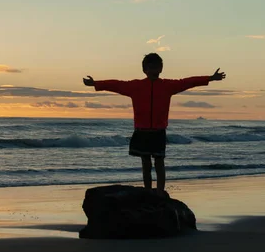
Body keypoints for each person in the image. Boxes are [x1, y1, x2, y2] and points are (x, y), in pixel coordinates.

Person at [83, 53, 226, 192]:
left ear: (161, 68)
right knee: (145, 163)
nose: (154, 71)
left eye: (157, 67)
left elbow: (187, 82)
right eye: (151, 68)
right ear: (144, 70)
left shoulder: (167, 86)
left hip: (158, 131)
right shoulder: (135, 86)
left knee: (159, 162)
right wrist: (96, 83)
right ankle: (147, 191)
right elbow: (116, 85)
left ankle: (159, 192)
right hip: (142, 131)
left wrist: (210, 78)